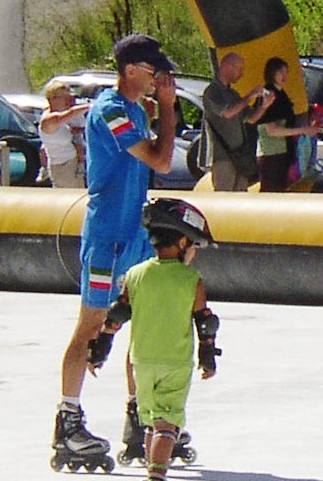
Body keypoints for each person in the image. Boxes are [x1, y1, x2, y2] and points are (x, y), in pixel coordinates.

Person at [52, 33, 180, 474]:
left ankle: (138, 416)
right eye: (153, 71)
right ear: (130, 71)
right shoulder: (111, 110)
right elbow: (161, 161)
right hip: (107, 235)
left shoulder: (134, 110)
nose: (159, 78)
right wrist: (168, 108)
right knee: (91, 324)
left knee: (141, 328)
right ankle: (68, 419)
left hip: (134, 234)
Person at [87, 198, 223, 479]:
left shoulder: (135, 275)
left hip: (141, 363)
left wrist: (99, 350)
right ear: (182, 242)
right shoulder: (191, 279)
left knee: (151, 424)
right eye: (193, 245)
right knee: (166, 425)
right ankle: (156, 476)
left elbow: (116, 316)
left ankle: (153, 468)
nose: (194, 251)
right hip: (175, 362)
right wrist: (207, 358)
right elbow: (205, 323)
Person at [201, 51, 272, 191]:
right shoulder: (212, 91)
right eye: (239, 69)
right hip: (222, 158)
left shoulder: (233, 94)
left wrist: (264, 106)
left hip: (240, 157)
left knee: (241, 197)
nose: (241, 74)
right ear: (227, 66)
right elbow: (228, 112)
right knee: (224, 197)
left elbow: (251, 118)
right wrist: (250, 96)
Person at [255, 57, 321, 192]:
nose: (284, 76)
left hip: (284, 153)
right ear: (272, 73)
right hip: (271, 154)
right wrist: (303, 130)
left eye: (286, 72)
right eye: (280, 72)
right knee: (271, 193)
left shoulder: (282, 95)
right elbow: (272, 130)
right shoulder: (268, 95)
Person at [39, 81, 90, 189]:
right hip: (62, 168)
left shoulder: (58, 116)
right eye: (64, 97)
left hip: (71, 164)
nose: (68, 100)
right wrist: (92, 106)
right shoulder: (49, 119)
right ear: (53, 99)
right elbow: (71, 113)